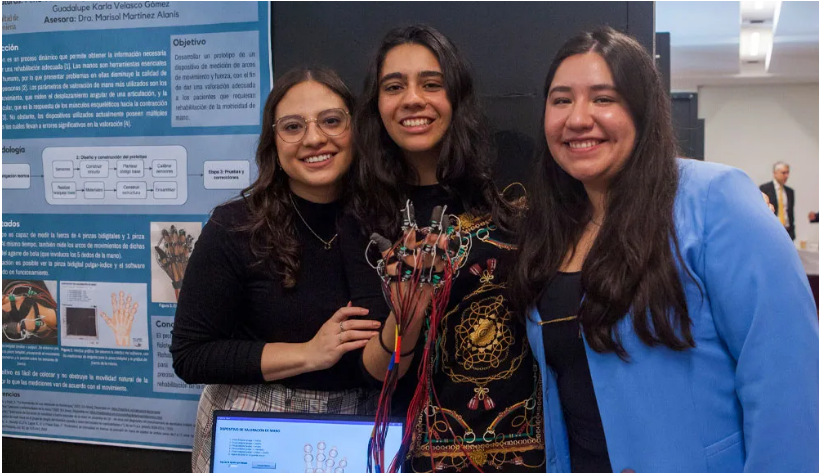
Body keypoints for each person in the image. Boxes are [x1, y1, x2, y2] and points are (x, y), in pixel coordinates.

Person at [509, 27, 819, 473]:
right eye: (561, 100)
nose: (577, 118)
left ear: (642, 109)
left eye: (603, 98)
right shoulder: (551, 230)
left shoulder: (715, 201)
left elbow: (785, 386)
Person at [340, 25, 544, 472]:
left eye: (432, 84)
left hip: (533, 448)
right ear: (378, 104)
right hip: (426, 454)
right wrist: (407, 312)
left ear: (456, 95)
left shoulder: (513, 173)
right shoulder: (365, 209)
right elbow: (378, 373)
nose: (413, 99)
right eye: (394, 87)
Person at [170, 67, 382, 473]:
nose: (314, 138)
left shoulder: (386, 222)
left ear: (357, 129)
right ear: (274, 142)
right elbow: (190, 356)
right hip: (256, 426)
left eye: (332, 121)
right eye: (293, 126)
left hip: (363, 425)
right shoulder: (235, 227)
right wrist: (308, 354)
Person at [760, 162, 795, 240]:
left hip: (787, 232)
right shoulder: (764, 189)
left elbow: (790, 213)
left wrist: (792, 234)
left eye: (788, 172)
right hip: (771, 232)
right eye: (783, 173)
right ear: (775, 173)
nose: (787, 176)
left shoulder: (790, 192)